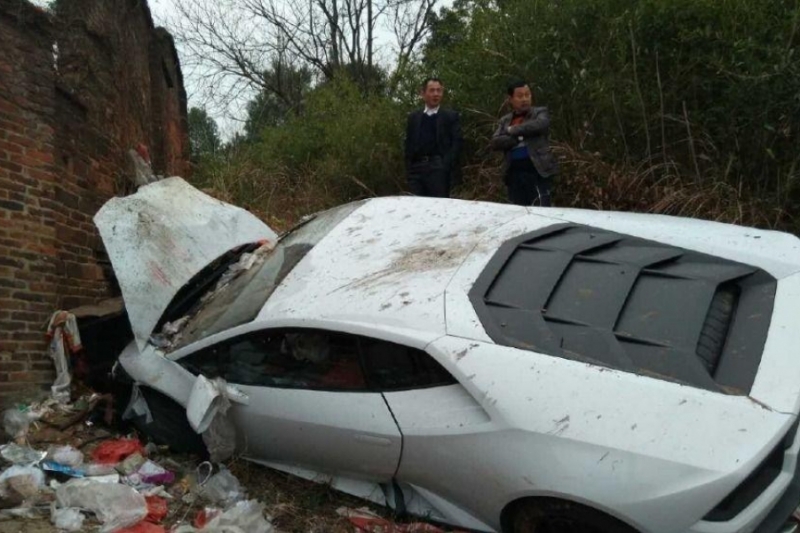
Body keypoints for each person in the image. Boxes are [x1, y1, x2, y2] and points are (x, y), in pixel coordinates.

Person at [491, 80, 558, 206]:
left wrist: (512, 130)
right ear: (510, 99)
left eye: (527, 95)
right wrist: (517, 138)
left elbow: (540, 125)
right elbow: (495, 142)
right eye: (520, 96)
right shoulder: (505, 120)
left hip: (537, 169)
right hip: (514, 172)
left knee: (540, 208)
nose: (524, 99)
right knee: (518, 210)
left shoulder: (539, 113)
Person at [404, 77, 463, 198]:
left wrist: (445, 165)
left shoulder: (450, 116)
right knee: (416, 206)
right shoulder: (414, 117)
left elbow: (457, 143)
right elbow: (408, 143)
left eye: (439, 90)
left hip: (438, 168)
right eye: (432, 90)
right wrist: (410, 167)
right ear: (423, 93)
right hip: (416, 170)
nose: (436, 94)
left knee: (438, 207)